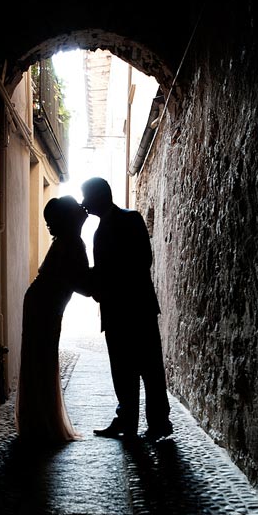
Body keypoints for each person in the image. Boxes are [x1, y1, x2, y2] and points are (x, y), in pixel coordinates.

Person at [81, 177, 172, 441]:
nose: (84, 203)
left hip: (136, 309)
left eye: (87, 197)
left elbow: (143, 260)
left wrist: (103, 284)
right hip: (116, 310)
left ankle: (158, 423)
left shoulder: (130, 219)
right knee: (122, 371)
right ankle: (127, 420)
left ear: (100, 196)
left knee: (150, 370)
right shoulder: (100, 229)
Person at [15, 195, 89, 445]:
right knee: (42, 359)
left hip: (43, 304)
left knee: (41, 360)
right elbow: (83, 285)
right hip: (44, 307)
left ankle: (38, 420)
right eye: (78, 208)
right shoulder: (72, 243)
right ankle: (41, 423)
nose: (84, 208)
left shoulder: (68, 241)